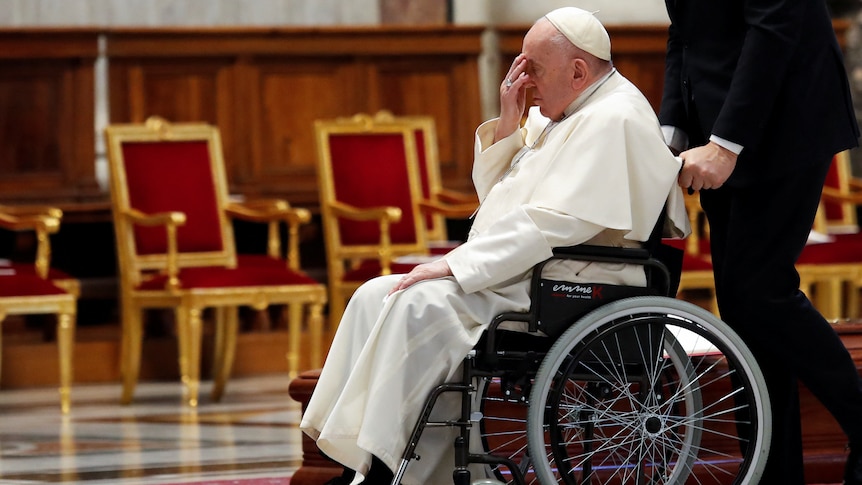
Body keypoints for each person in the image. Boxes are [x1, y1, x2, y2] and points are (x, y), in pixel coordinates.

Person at [301, 7, 689, 485]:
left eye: (534, 70)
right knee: (374, 295)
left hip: (576, 279)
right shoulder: (573, 109)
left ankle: (388, 470)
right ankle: (362, 464)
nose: (524, 82)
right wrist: (509, 122)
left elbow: (554, 222)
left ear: (577, 70)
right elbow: (503, 200)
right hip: (539, 268)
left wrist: (456, 266)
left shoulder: (615, 118)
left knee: (418, 306)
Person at [659, 0, 862, 483]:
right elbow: (684, 30)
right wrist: (673, 125)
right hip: (721, 119)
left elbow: (776, 24)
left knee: (760, 293)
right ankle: (773, 471)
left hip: (783, 118)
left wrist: (727, 142)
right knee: (744, 314)